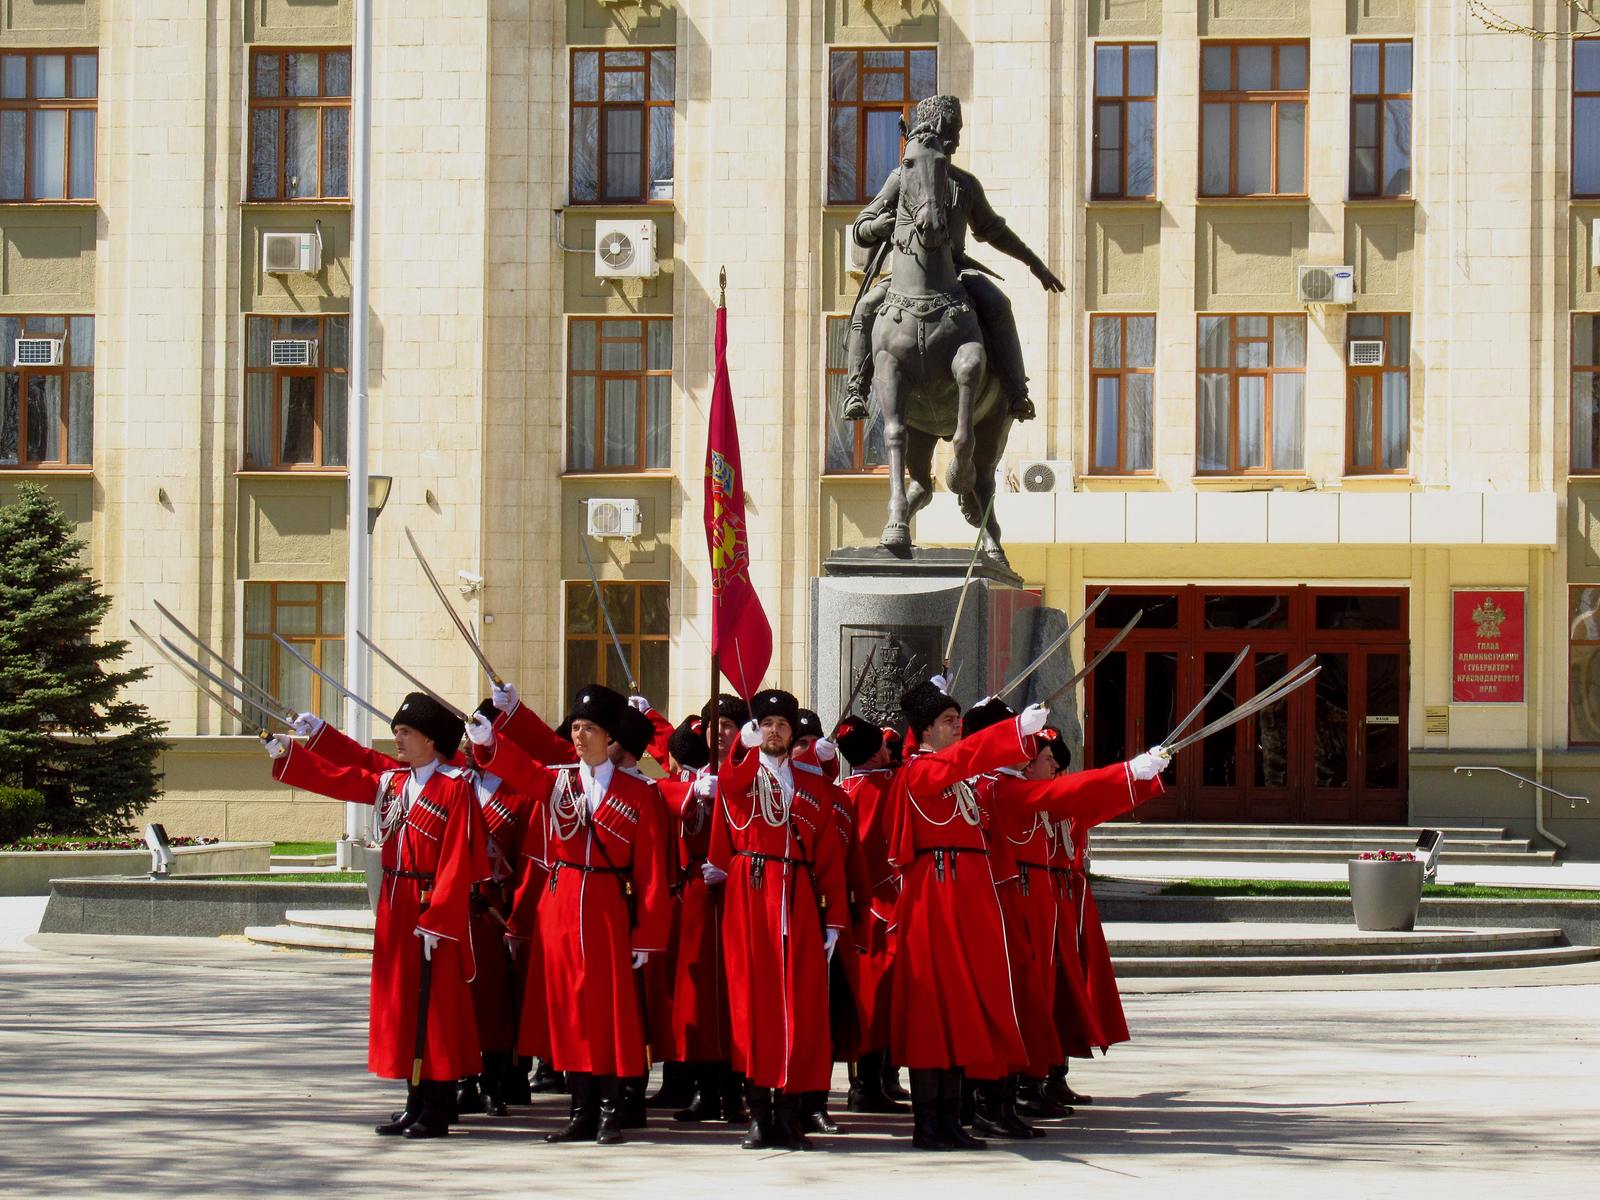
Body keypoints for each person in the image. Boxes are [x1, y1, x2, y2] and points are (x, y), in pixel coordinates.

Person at [888, 676, 1166, 1151]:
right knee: (938, 1013)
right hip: (938, 901)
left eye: (959, 722)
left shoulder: (967, 782)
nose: (958, 731)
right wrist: (1010, 730)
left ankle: (953, 1118)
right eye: (949, 723)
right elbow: (966, 763)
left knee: (966, 1012)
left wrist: (1127, 775)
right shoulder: (921, 772)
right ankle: (932, 1121)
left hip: (970, 903)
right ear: (925, 731)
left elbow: (1055, 796)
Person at [265, 693, 488, 1139]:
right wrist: (291, 756)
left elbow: (458, 860)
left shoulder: (455, 786)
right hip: (396, 899)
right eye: (397, 733)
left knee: (436, 1007)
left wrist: (439, 917)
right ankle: (413, 1099)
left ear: (430, 740)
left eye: (406, 733)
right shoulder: (394, 783)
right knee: (405, 1003)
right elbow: (343, 779)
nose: (398, 741)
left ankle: (438, 1105)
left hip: (429, 904)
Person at [465, 684, 671, 1146]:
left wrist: (647, 935)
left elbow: (653, 872)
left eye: (589, 728)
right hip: (561, 908)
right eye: (575, 728)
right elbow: (521, 769)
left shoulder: (639, 794)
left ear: (609, 734)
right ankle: (580, 1109)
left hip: (606, 908)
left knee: (609, 1013)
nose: (578, 736)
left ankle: (610, 1110)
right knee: (569, 1011)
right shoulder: (559, 782)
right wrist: (488, 743)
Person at [842, 93, 1065, 422]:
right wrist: (878, 226)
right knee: (866, 307)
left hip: (955, 275)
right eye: (953, 130)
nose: (957, 138)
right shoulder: (903, 176)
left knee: (998, 303)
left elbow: (993, 230)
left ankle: (1018, 391)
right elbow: (862, 227)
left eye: (958, 130)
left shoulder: (965, 184)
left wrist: (1034, 263)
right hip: (903, 278)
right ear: (934, 128)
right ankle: (856, 389)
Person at [708, 688, 850, 1151]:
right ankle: (758, 1113)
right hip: (751, 896)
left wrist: (835, 919)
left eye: (782, 725)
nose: (774, 731)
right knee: (753, 1008)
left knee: (800, 1009)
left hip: (799, 898)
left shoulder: (810, 785)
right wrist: (741, 749)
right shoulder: (743, 776)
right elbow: (728, 788)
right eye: (767, 724)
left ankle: (791, 1113)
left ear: (793, 736)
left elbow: (829, 854)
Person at [831, 715, 906, 1114]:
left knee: (869, 997)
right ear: (878, 750)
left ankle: (872, 1079)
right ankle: (870, 1084)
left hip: (857, 904)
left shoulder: (842, 789)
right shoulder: (887, 785)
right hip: (887, 901)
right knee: (880, 999)